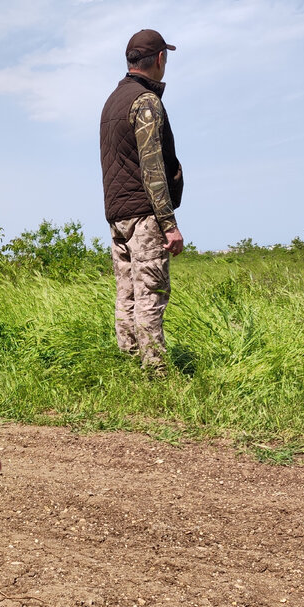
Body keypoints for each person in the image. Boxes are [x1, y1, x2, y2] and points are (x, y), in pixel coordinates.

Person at [99, 28, 185, 375]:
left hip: (117, 214)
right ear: (160, 59)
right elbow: (152, 168)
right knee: (149, 292)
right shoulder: (146, 102)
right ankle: (156, 371)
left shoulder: (112, 101)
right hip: (143, 215)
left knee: (127, 294)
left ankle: (129, 366)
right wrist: (169, 224)